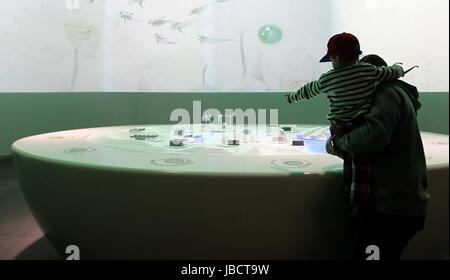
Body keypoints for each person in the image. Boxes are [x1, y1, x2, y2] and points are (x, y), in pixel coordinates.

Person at [285, 32, 407, 211]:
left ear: (334, 57)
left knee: (352, 162)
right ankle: (359, 202)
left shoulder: (327, 79)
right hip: (360, 123)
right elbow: (389, 73)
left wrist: (292, 98)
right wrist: (399, 69)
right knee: (360, 163)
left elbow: (308, 90)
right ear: (358, 55)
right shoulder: (368, 71)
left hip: (340, 128)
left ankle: (356, 204)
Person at [326, 54, 430, 261]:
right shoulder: (392, 93)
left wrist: (339, 143)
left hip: (393, 209)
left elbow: (374, 136)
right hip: (392, 207)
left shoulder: (386, 93)